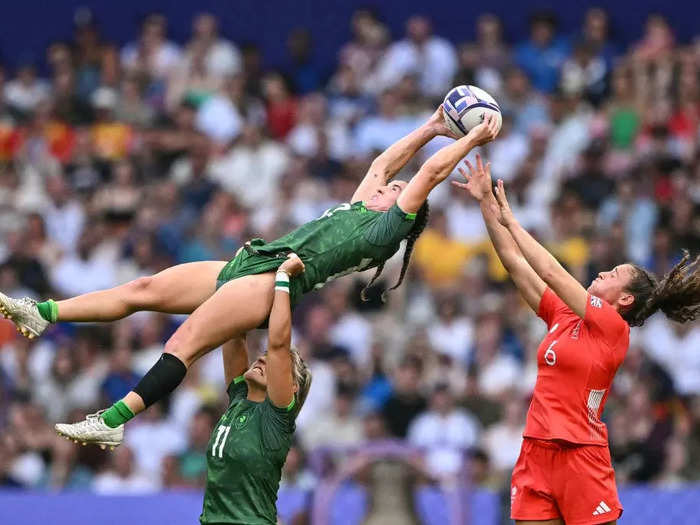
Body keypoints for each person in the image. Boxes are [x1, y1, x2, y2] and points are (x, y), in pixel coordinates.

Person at [0, 108, 500, 448]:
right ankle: (42, 313)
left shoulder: (386, 229)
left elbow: (427, 176)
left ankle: (113, 422)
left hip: (271, 284)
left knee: (186, 340)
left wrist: (473, 137)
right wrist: (434, 124)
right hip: (253, 262)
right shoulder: (361, 205)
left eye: (397, 190)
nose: (391, 183)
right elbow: (384, 161)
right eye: (394, 185)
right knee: (143, 289)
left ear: (404, 211)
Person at [454, 155, 700, 525]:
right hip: (536, 450)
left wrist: (512, 221)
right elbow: (514, 262)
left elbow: (551, 270)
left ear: (626, 300)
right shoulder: (564, 314)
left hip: (580, 455)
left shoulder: (613, 329)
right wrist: (486, 202)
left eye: (614, 273)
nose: (603, 272)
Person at [199, 252, 311, 525]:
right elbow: (233, 332)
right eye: (262, 354)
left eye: (278, 363)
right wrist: (241, 273)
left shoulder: (277, 419)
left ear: (291, 386)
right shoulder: (239, 397)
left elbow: (279, 344)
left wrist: (283, 279)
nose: (262, 357)